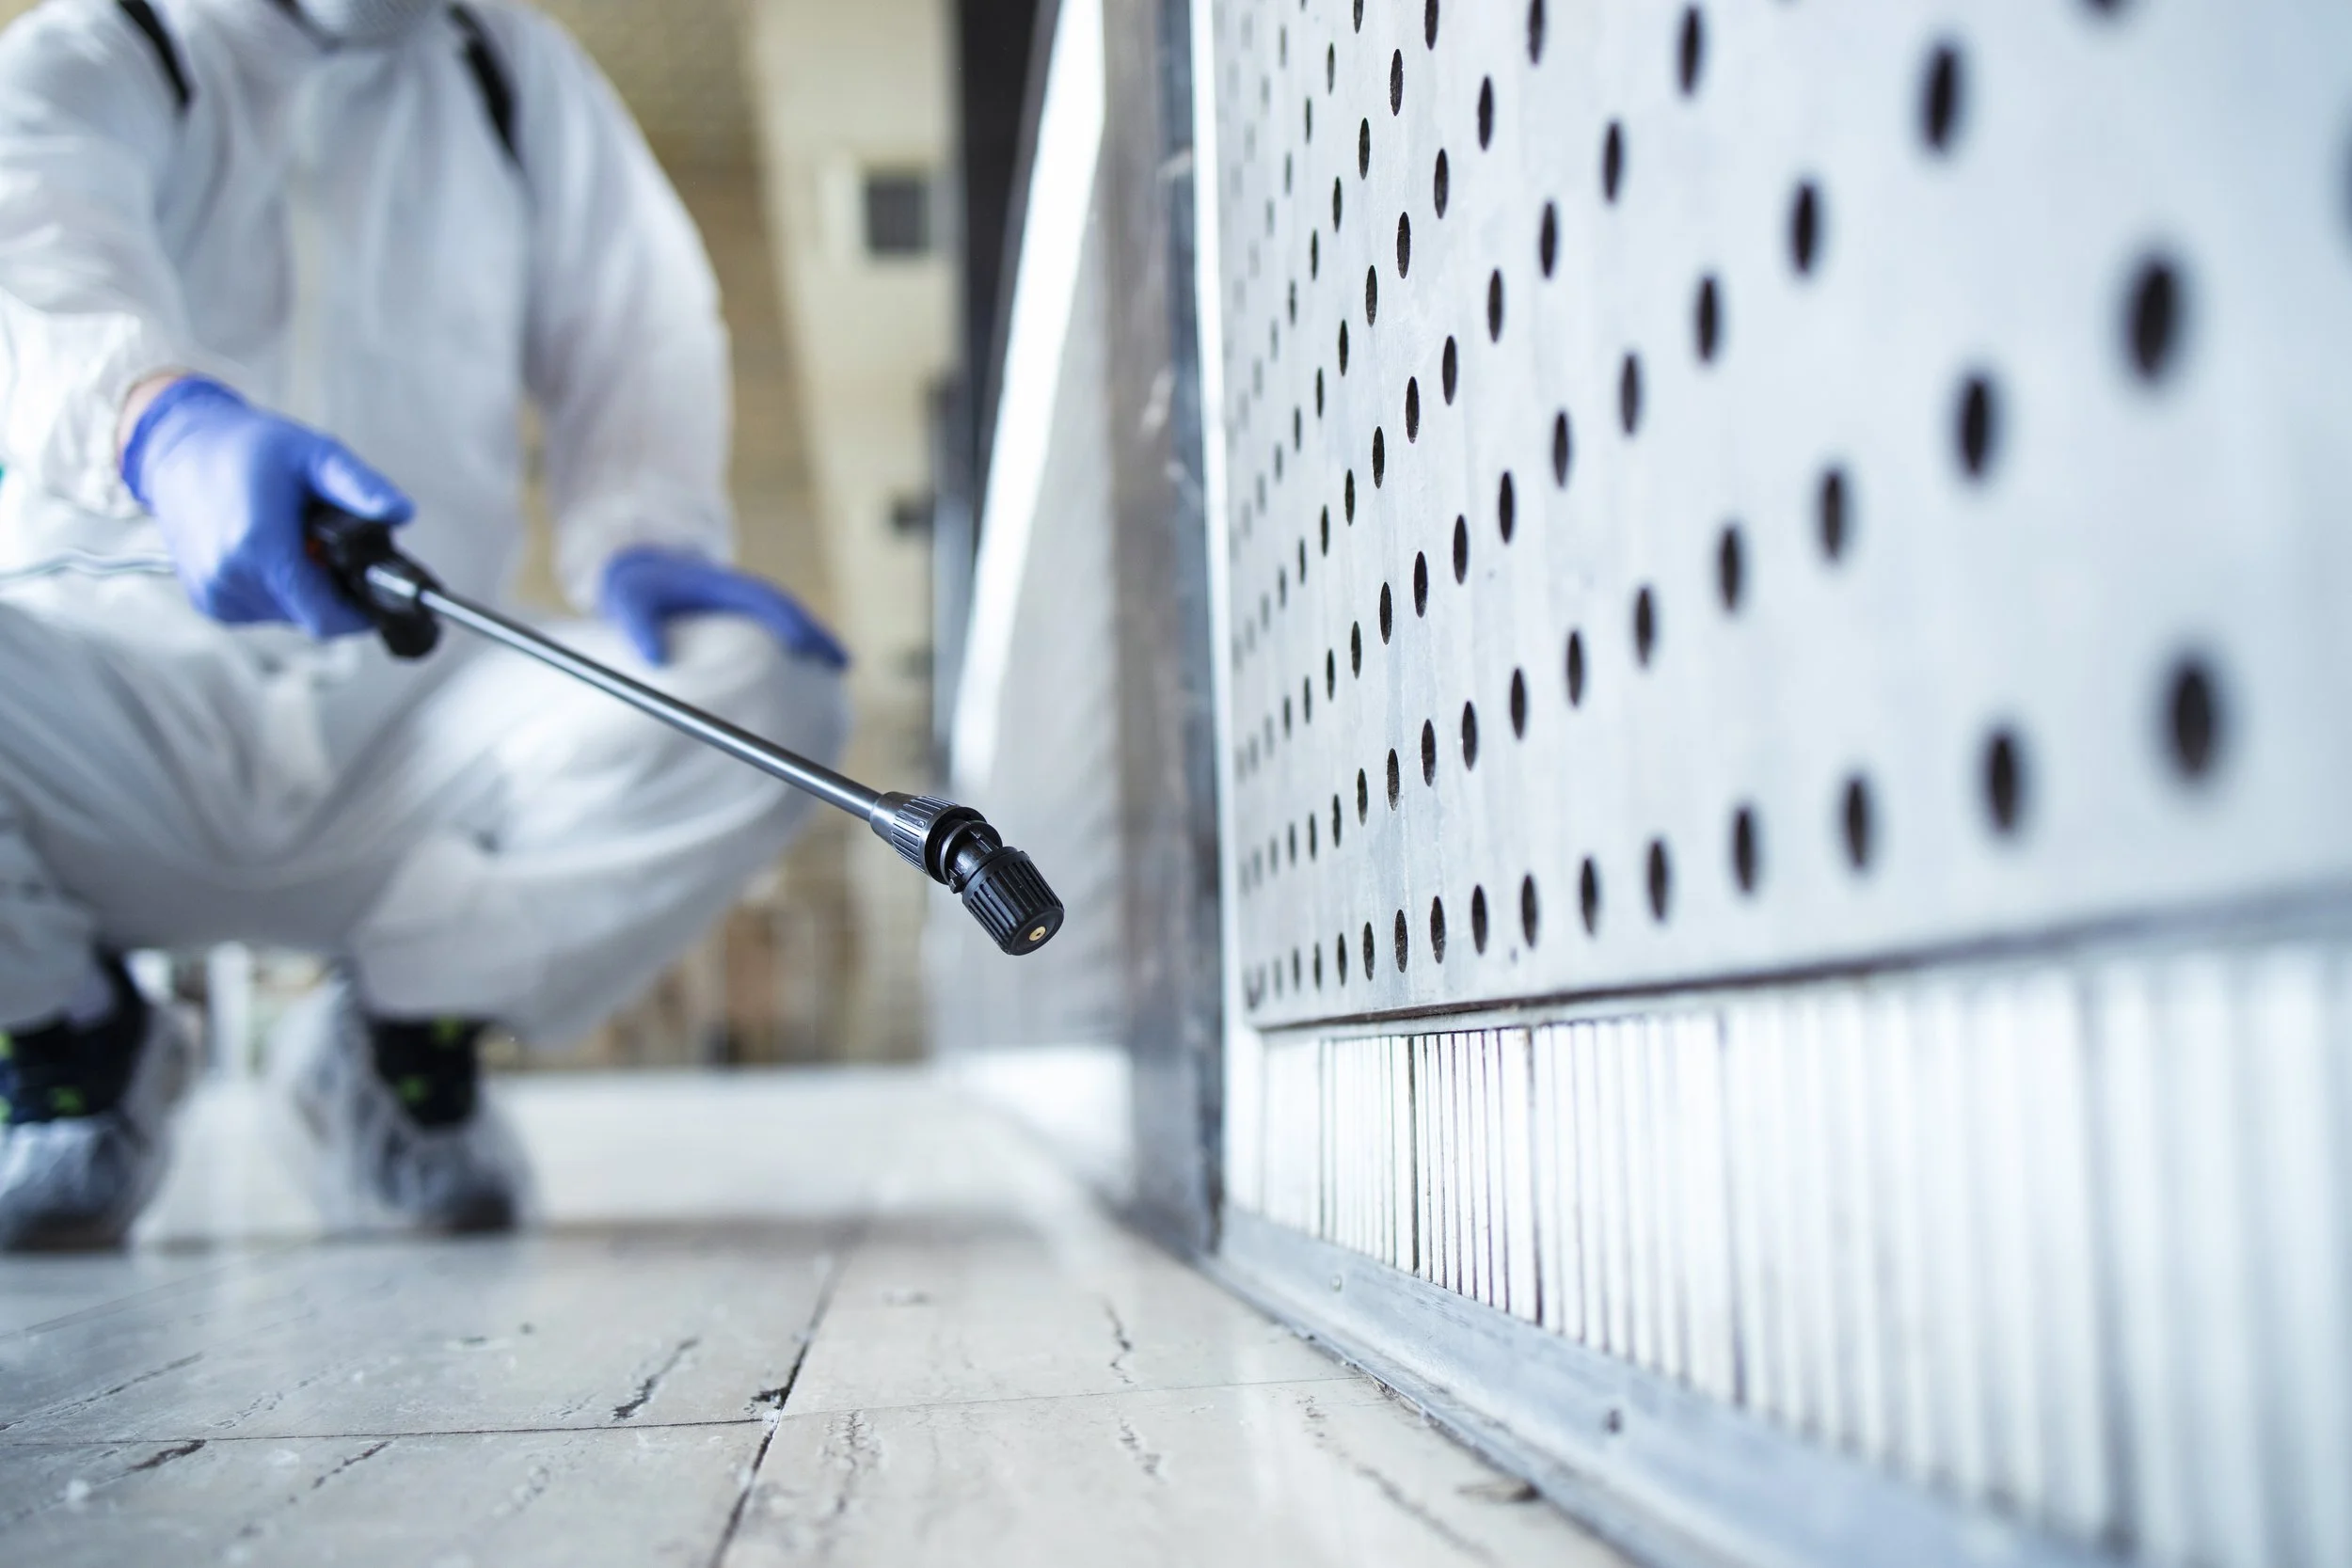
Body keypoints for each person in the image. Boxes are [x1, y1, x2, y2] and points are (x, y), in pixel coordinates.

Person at [0, 0, 850, 1248]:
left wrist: (644, 529)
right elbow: (31, 240)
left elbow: (637, 311)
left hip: (419, 708)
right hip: (109, 710)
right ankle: (67, 1034)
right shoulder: (108, 44)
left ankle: (403, 1039)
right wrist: (157, 421)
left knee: (761, 691)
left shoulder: (512, 78)